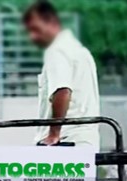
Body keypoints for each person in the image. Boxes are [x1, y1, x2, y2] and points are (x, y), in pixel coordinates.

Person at [23, 0, 101, 151]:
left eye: (36, 29)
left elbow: (63, 91)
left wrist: (53, 134)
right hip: (84, 139)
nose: (33, 37)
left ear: (51, 22)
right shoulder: (78, 50)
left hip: (65, 140)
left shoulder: (56, 51)